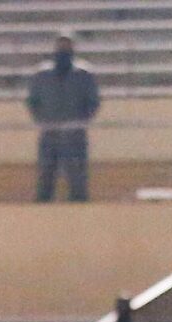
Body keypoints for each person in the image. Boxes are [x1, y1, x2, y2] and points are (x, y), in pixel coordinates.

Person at [27, 33, 101, 203]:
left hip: (75, 136)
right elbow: (32, 102)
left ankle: (80, 220)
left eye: (67, 46)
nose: (63, 50)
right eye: (61, 46)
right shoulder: (41, 74)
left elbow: (93, 102)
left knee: (77, 181)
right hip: (49, 134)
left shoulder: (84, 74)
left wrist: (79, 122)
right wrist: (44, 121)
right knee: (45, 179)